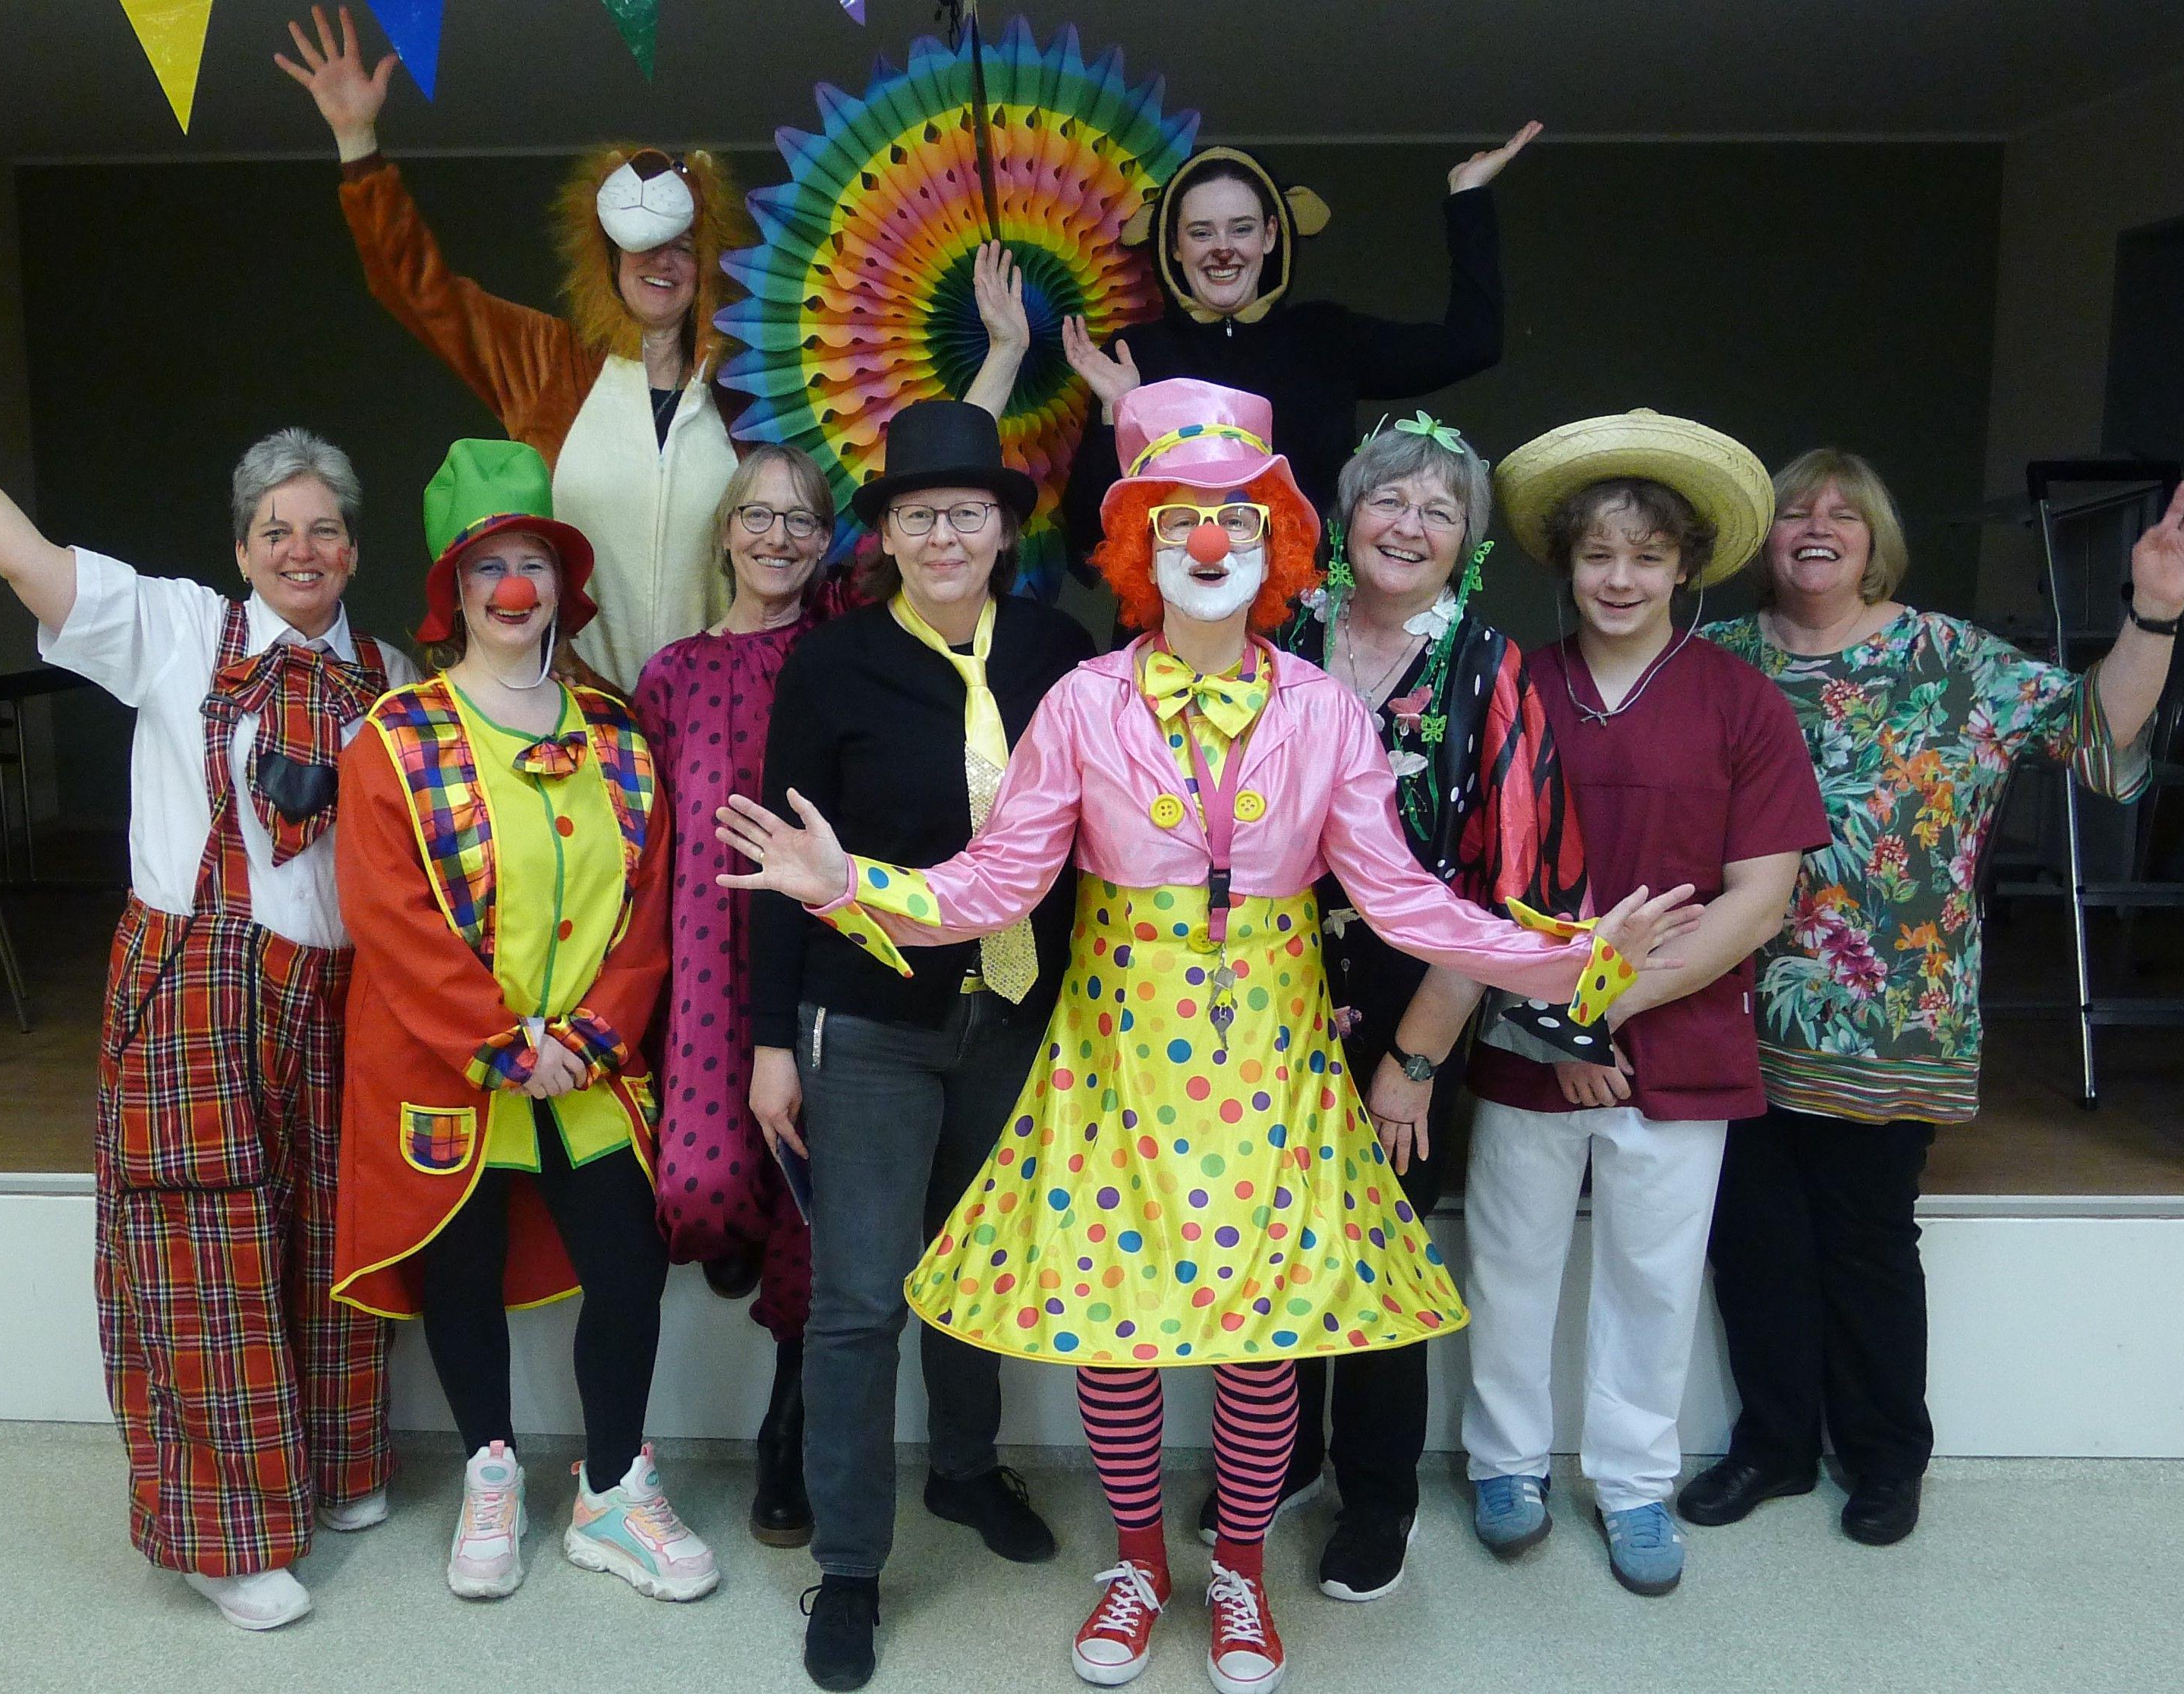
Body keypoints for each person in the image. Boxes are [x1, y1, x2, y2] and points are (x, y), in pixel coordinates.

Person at [719, 379, 1698, 1694]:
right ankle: (1138, 1564)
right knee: (1114, 1330)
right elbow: (996, 884)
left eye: (1234, 517)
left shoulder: (1323, 710)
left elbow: (1403, 901)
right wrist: (851, 886)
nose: (1204, 539)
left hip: (1271, 1059)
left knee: (1261, 1335)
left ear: (1274, 544)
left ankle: (1237, 1568)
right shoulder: (1080, 703)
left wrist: (1570, 958)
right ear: (1138, 544)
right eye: (1177, 516)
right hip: (1113, 1054)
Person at [0, 313, 413, 1631]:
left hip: (338, 998)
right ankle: (220, 1533)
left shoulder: (392, 676)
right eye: (274, 530)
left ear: (354, 548)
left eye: (324, 529)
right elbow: (17, 554)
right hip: (194, 979)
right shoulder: (176, 629)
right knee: (199, 1241)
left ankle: (329, 1459)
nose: (301, 549)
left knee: (330, 1235)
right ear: (240, 547)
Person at [1686, 451, 2184, 1547]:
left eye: (1843, 512)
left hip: (1893, 1018)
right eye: (1794, 510)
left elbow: (2097, 736)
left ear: (1875, 541)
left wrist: (2153, 611)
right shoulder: (1715, 661)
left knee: (1866, 1242)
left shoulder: (1949, 658)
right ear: (1761, 538)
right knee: (1753, 1239)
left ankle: (1884, 1459)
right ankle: (1771, 1447)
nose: (1816, 525)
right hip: (1726, 1008)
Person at [279, 7, 1035, 679]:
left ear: (705, 258)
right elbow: (419, 291)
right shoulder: (545, 363)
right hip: (577, 709)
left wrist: (1002, 357)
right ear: (606, 259)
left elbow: (913, 483)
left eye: (681, 247)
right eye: (639, 247)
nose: (661, 264)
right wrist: (357, 140)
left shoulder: (752, 388)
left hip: (720, 710)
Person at [743, 400, 1097, 1690]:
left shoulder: (1060, 652)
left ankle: (963, 1468)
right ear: (884, 536)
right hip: (869, 1025)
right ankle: (847, 1566)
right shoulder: (831, 665)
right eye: (916, 515)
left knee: (978, 1268)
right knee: (858, 1298)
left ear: (1004, 529)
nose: (942, 536)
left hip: (1012, 1018)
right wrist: (770, 1041)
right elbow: (780, 863)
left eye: (966, 512)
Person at [1449, 410, 1829, 1600]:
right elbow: (1475, 884)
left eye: (1646, 557)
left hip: (1682, 1036)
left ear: (1684, 568)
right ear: (1563, 562)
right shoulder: (1511, 686)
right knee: (1509, 1263)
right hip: (1523, 1039)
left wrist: (1606, 1013)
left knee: (1653, 1279)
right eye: (1597, 555)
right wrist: (1556, 1023)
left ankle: (1630, 1485)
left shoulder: (1739, 702)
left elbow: (1756, 898)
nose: (1619, 579)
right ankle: (1504, 1466)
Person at [334, 439, 715, 1604]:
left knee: (627, 1270)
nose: (513, 587)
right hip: (449, 1069)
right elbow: (392, 921)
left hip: (591, 1069)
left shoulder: (617, 735)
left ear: (561, 585)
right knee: (461, 1275)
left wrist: (589, 1038)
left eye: (532, 564)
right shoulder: (393, 736)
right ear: (453, 592)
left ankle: (610, 1491)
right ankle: (489, 1470)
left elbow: (649, 907)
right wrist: (503, 1046)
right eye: (488, 566)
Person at [1233, 413, 1594, 1602]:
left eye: (1439, 512)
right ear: (1345, 517)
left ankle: (1377, 1492)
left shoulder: (1490, 671)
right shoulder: (1273, 631)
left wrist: (1417, 1060)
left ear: (1466, 547)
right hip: (1261, 989)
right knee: (1266, 1236)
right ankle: (1279, 1456)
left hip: (1413, 996)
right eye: (1388, 499)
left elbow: (1504, 894)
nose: (1408, 525)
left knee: (1378, 1248)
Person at [631, 445, 844, 1548]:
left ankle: (787, 1425)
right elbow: (641, 842)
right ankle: (734, 1226)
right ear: (723, 532)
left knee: (815, 1195)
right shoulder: (670, 676)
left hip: (819, 955)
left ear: (827, 543)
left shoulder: (846, 654)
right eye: (757, 517)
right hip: (705, 965)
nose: (776, 538)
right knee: (704, 1187)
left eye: (801, 521)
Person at [1055, 126, 1541, 567]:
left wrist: (1468, 196)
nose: (1222, 248)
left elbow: (1471, 344)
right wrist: (1118, 413)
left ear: (1270, 235)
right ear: (1175, 247)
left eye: (1241, 228)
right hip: (1175, 621)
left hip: (1308, 618)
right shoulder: (1135, 355)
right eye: (1201, 233)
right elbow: (1085, 535)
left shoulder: (1326, 337)